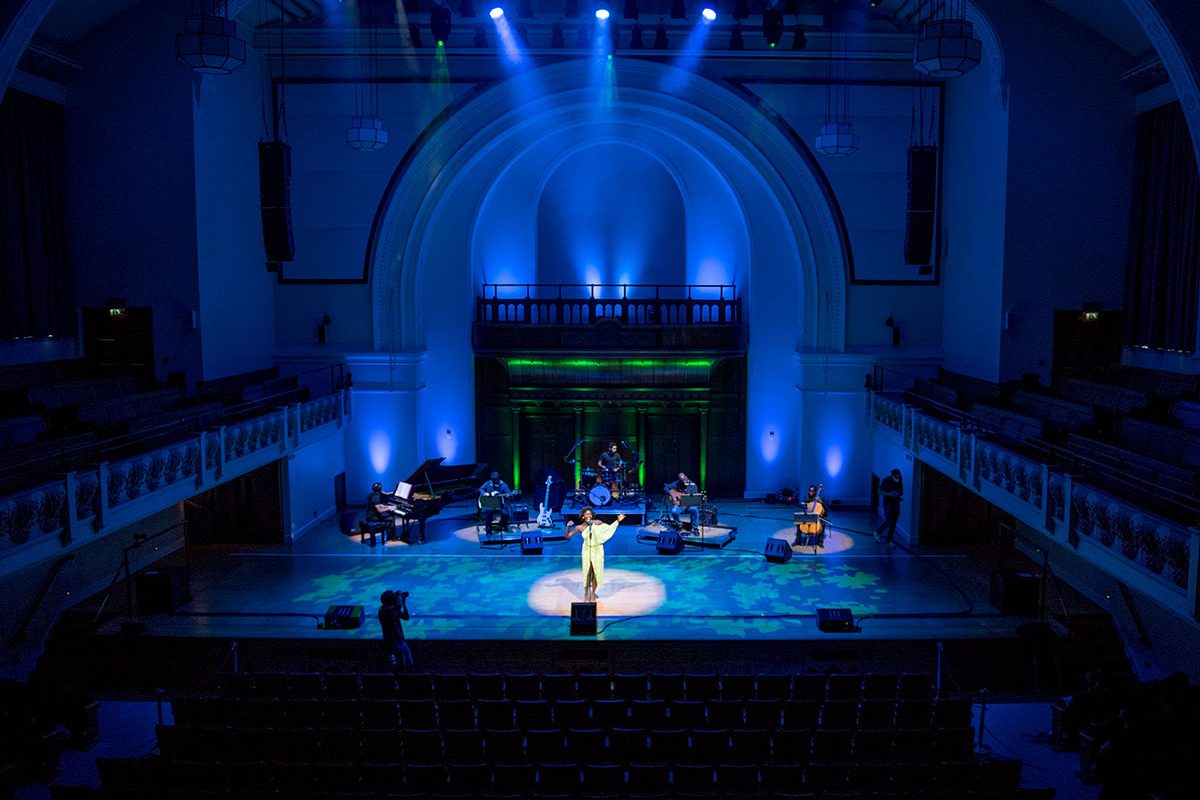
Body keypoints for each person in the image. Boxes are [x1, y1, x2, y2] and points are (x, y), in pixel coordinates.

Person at [565, 507, 626, 603]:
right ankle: (586, 593)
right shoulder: (580, 527)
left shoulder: (597, 523)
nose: (588, 515)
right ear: (583, 516)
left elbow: (609, 529)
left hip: (597, 549)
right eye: (586, 514)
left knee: (596, 572)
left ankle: (593, 593)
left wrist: (617, 521)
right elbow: (567, 536)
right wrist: (568, 526)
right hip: (586, 549)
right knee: (587, 572)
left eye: (590, 514)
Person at [378, 589, 414, 673]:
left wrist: (404, 603)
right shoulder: (384, 610)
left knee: (410, 663)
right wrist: (399, 597)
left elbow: (406, 617)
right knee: (402, 666)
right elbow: (398, 606)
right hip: (394, 643)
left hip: (401, 640)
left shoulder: (392, 609)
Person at [876, 468, 903, 548]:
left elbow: (900, 490)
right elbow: (879, 492)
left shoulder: (900, 479)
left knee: (894, 523)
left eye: (898, 477)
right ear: (892, 475)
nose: (897, 478)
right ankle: (878, 532)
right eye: (896, 477)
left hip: (896, 503)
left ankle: (889, 541)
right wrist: (890, 494)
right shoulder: (886, 480)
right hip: (888, 503)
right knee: (889, 521)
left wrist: (900, 495)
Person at [794, 484, 827, 549]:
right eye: (810, 491)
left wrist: (821, 502)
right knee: (798, 522)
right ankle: (798, 540)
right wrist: (803, 505)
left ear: (815, 492)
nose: (810, 493)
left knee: (823, 524)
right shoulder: (806, 498)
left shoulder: (821, 498)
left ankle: (820, 542)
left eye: (812, 491)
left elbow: (827, 509)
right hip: (809, 516)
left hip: (818, 517)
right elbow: (801, 505)